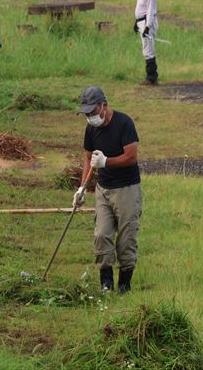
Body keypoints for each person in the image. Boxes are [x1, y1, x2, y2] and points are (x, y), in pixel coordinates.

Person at [73, 86, 142, 294]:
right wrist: (82, 188)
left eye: (92, 112)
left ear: (104, 105)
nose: (90, 117)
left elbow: (131, 156)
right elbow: (88, 157)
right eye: (86, 113)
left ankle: (124, 285)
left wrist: (106, 162)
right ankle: (106, 283)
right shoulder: (91, 129)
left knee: (126, 238)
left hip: (127, 189)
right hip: (103, 189)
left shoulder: (124, 123)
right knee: (102, 234)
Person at [133, 0, 159, 85]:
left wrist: (147, 27)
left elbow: (150, 10)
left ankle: (151, 77)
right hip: (142, 22)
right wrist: (136, 22)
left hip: (146, 23)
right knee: (146, 49)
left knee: (149, 50)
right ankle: (150, 77)